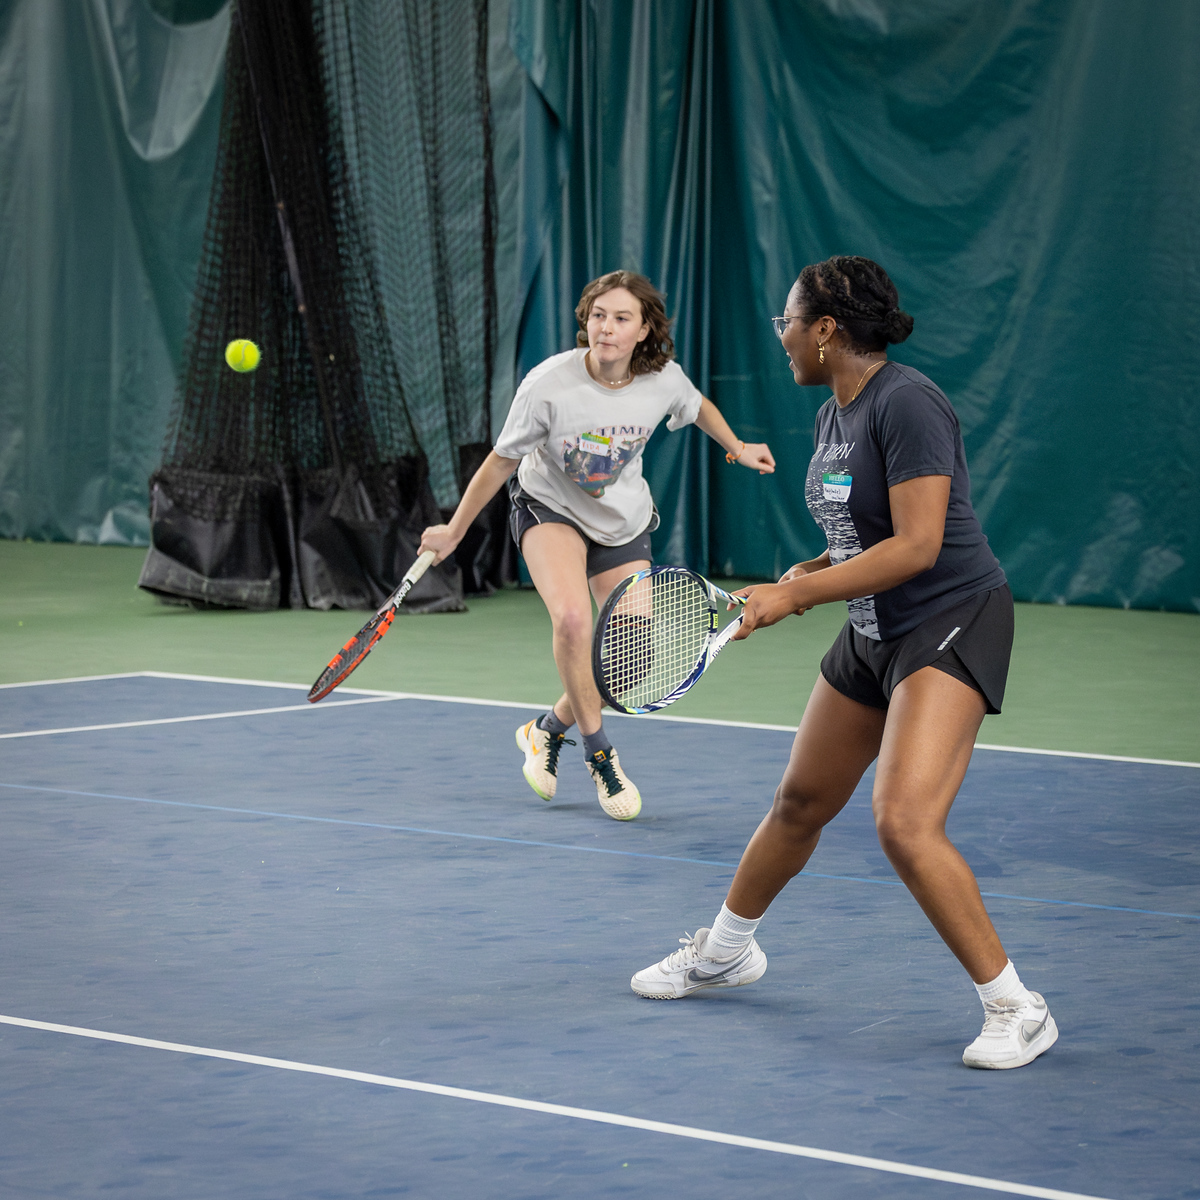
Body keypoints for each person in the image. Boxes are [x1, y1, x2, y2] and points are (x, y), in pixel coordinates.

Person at [631, 256, 1057, 1070]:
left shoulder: (909, 403)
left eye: (787, 320)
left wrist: (799, 601)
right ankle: (725, 953)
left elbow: (921, 544)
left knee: (903, 821)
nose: (781, 334)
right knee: (800, 800)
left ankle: (1017, 1007)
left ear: (826, 329)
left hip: (950, 618)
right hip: (872, 627)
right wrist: (810, 573)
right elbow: (861, 534)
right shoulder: (835, 414)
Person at [420, 270, 775, 820]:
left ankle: (546, 731)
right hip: (550, 509)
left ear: (644, 331)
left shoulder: (663, 380)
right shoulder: (547, 384)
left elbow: (696, 404)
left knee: (628, 665)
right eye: (598, 315)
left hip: (622, 522)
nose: (606, 327)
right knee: (573, 621)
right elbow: (501, 460)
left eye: (621, 318)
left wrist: (737, 445)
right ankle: (601, 757)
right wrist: (455, 528)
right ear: (586, 320)